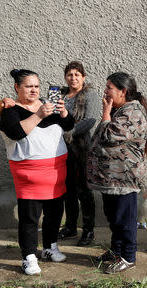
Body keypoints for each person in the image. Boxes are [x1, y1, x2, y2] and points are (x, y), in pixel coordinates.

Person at [0, 69, 74, 275]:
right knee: (30, 217)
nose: (34, 90)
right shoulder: (11, 110)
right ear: (17, 87)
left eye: (36, 86)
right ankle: (29, 257)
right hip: (29, 174)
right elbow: (15, 132)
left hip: (56, 170)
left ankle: (50, 248)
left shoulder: (46, 103)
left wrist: (64, 112)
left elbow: (68, 125)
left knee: (55, 213)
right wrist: (39, 115)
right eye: (28, 86)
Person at [87, 72, 147, 274]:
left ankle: (128, 256)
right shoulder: (120, 110)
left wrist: (105, 114)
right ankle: (116, 251)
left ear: (123, 91)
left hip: (123, 179)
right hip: (111, 179)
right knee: (114, 218)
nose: (105, 91)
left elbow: (108, 135)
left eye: (109, 88)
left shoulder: (132, 112)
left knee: (125, 220)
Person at [58, 61, 101, 246]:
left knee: (84, 190)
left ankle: (88, 230)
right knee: (67, 190)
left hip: (82, 149)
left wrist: (70, 132)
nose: (73, 78)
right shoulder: (60, 95)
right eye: (69, 74)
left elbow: (90, 121)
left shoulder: (90, 94)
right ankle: (70, 228)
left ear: (83, 77)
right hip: (61, 149)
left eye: (77, 74)